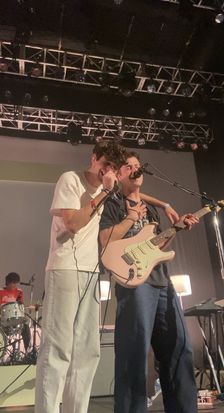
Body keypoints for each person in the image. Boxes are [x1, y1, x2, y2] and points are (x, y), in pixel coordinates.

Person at [99, 151, 199, 413]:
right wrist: (131, 217)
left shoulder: (151, 208)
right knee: (134, 355)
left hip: (161, 281)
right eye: (128, 166)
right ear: (119, 175)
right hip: (134, 284)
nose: (135, 169)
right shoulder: (113, 204)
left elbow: (158, 245)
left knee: (178, 349)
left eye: (137, 165)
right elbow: (105, 241)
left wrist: (177, 228)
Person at [34, 141, 127, 413]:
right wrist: (103, 194)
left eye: (112, 167)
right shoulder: (71, 179)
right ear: (94, 158)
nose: (107, 171)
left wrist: (165, 203)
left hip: (91, 272)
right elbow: (73, 223)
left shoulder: (106, 190)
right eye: (104, 164)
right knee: (58, 349)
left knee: (88, 352)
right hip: (64, 269)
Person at [0, 272, 30, 351]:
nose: (15, 286)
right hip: (3, 321)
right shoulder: (1, 292)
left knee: (26, 328)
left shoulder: (19, 292)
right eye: (13, 283)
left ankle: (27, 352)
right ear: (8, 283)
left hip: (16, 320)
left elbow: (21, 307)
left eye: (16, 283)